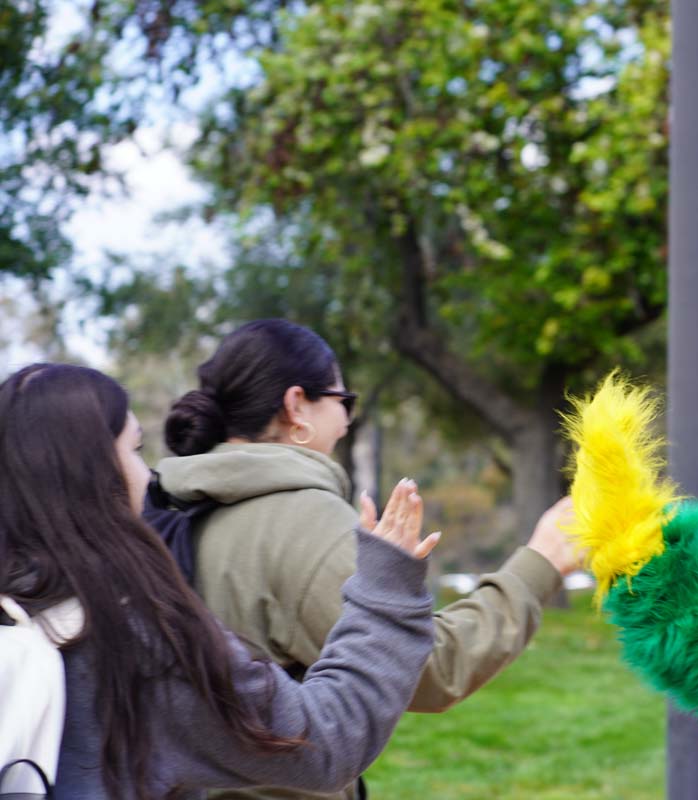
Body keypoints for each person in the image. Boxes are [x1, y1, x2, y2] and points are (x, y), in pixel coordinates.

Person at [154, 318, 579, 800]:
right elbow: (430, 667)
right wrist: (542, 562)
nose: (347, 421)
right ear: (296, 405)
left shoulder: (168, 505)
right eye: (343, 402)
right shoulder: (299, 520)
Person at [0, 363, 437, 799]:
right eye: (134, 449)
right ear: (95, 474)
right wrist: (385, 587)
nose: (144, 473)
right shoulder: (139, 645)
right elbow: (324, 743)